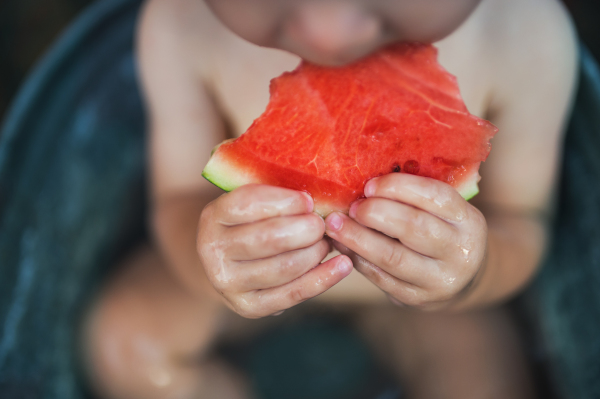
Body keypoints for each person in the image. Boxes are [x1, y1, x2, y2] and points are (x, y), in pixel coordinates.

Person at [82, 0, 578, 398]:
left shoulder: (526, 33)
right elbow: (179, 199)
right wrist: (212, 264)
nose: (329, 31)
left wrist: (474, 271)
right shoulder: (179, 22)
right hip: (252, 276)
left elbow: (521, 220)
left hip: (426, 304)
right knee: (124, 345)